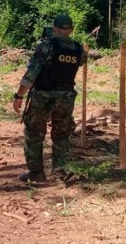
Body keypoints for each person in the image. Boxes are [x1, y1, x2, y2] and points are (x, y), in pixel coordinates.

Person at [12, 14, 86, 182]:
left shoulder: (46, 47)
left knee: (34, 133)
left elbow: (31, 74)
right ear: (71, 30)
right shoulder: (78, 49)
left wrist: (19, 95)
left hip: (43, 96)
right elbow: (80, 62)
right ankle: (59, 172)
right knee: (61, 134)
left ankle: (36, 174)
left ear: (54, 29)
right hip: (66, 97)